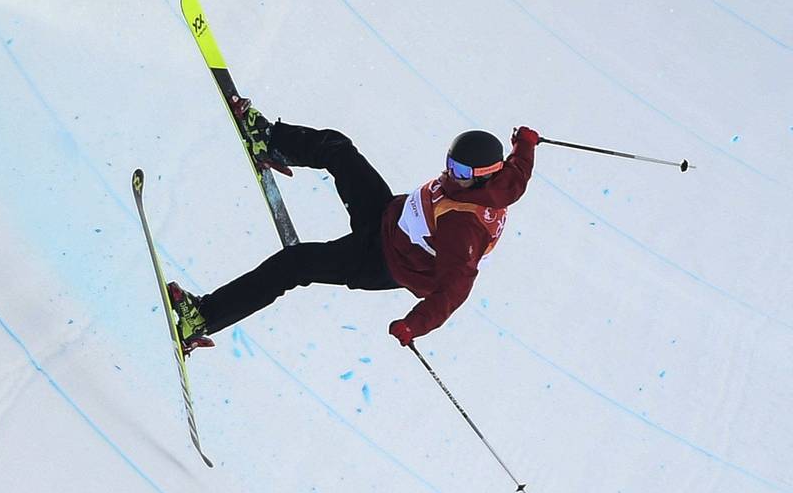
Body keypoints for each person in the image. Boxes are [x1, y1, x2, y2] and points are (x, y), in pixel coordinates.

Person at [167, 96, 539, 354]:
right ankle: (269, 142)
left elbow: (454, 290)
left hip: (383, 261)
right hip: (386, 218)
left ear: (481, 177)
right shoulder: (501, 179)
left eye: (459, 172)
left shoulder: (464, 228)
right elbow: (519, 169)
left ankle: (201, 319)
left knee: (293, 265)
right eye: (449, 163)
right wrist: (526, 145)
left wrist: (414, 324)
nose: (450, 174)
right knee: (338, 150)